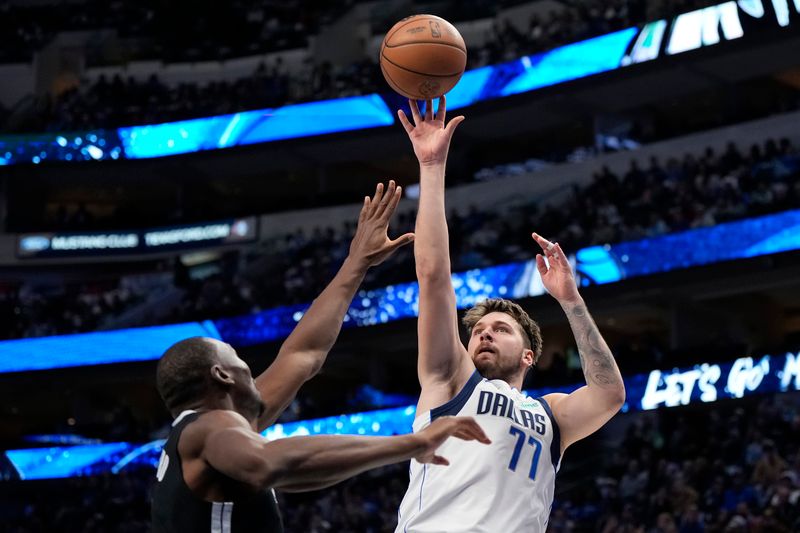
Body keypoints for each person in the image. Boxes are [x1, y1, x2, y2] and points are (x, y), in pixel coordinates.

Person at [151, 181, 491, 532]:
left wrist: (356, 263)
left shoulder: (205, 432)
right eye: (238, 359)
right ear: (222, 375)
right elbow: (269, 463)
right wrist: (413, 442)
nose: (249, 371)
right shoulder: (209, 428)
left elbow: (303, 354)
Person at [394, 96, 626, 532]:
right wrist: (430, 167)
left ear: (528, 355)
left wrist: (571, 301)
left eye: (500, 329)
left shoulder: (551, 414)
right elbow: (434, 276)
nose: (484, 335)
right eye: (478, 330)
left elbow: (610, 395)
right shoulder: (450, 379)